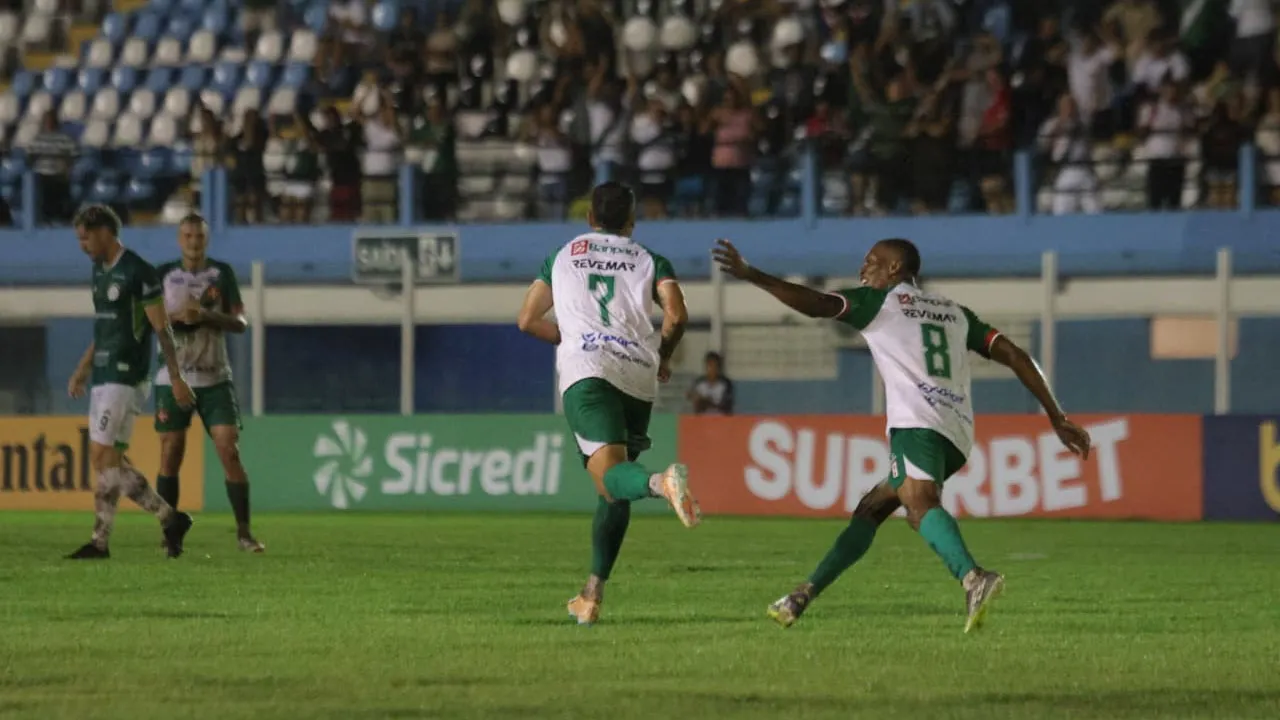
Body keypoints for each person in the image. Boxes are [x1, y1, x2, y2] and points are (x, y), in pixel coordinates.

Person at [711, 237, 1092, 633]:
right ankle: (801, 595)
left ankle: (974, 578)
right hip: (957, 433)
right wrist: (1056, 415)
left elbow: (818, 304)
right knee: (873, 508)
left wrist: (752, 274)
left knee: (918, 503)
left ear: (895, 269)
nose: (863, 270)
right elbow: (1014, 353)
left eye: (871, 262)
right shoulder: (955, 312)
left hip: (917, 423)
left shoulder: (880, 304)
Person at [517, 181, 701, 626]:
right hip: (637, 374)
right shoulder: (651, 260)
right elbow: (676, 315)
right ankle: (591, 595)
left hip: (589, 372)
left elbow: (527, 320)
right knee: (615, 488)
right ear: (632, 221)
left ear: (589, 218)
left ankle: (662, 483)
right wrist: (665, 355)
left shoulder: (560, 256)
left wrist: (577, 339)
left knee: (615, 480)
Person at [65, 205, 195, 560]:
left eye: (85, 237)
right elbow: (106, 326)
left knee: (102, 456)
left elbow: (162, 328)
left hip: (127, 375)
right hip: (104, 375)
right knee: (110, 461)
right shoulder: (98, 271)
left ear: (105, 231)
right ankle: (161, 521)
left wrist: (177, 376)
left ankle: (106, 539)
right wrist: (83, 367)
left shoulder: (138, 271)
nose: (82, 246)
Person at [152, 213, 265, 554]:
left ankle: (244, 533)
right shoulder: (163, 276)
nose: (193, 241)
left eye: (199, 236)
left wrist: (206, 316)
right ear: (178, 239)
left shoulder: (222, 274)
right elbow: (148, 321)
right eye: (187, 235)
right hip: (174, 377)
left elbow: (241, 321)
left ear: (207, 239)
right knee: (171, 453)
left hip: (215, 377)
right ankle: (169, 531)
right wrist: (177, 318)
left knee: (229, 449)